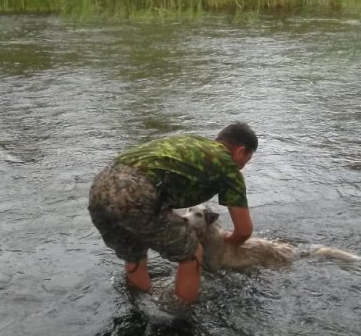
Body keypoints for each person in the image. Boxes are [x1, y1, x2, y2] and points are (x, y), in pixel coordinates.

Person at [88, 122, 258, 304]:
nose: (242, 167)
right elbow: (244, 231)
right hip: (136, 192)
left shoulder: (190, 141)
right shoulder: (229, 168)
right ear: (241, 151)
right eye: (246, 161)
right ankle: (181, 316)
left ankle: (139, 305)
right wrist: (223, 241)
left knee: (134, 254)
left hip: (100, 187)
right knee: (192, 254)